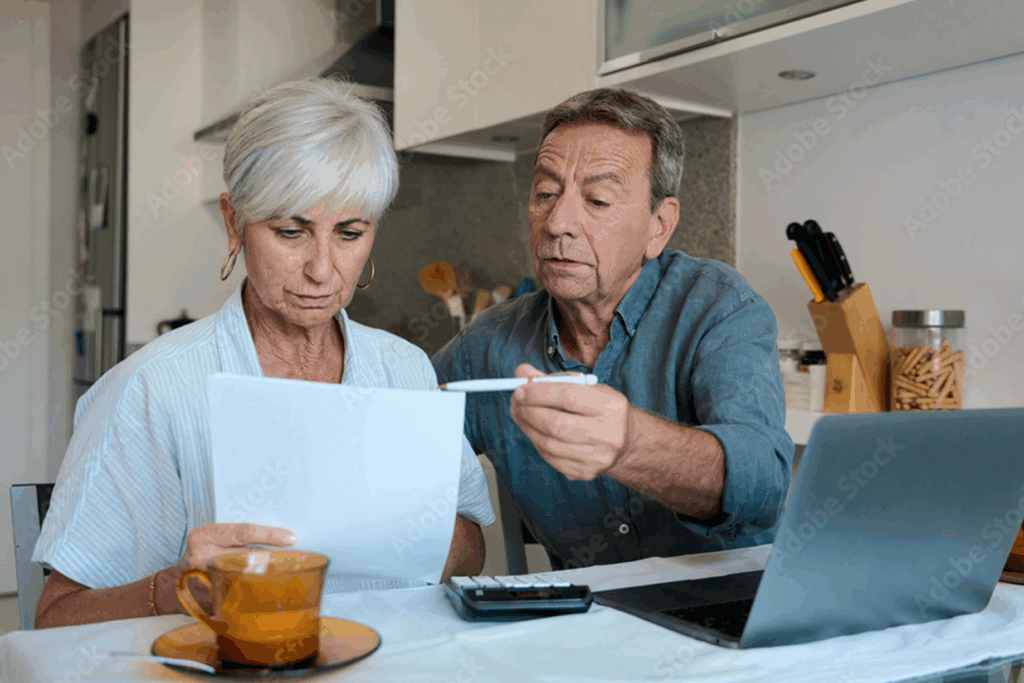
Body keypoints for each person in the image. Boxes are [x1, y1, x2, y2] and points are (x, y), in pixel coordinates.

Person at [33, 78, 494, 628]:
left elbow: (468, 549)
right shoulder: (152, 389)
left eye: (349, 233)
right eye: (290, 231)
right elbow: (55, 619)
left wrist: (417, 534)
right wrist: (183, 587)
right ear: (235, 223)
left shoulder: (405, 369)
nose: (322, 270)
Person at [432, 88, 792, 570]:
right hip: (588, 622)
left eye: (597, 199)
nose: (558, 222)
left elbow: (763, 483)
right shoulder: (489, 342)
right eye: (544, 194)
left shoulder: (718, 307)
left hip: (729, 610)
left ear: (658, 227)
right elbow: (393, 438)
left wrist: (631, 443)